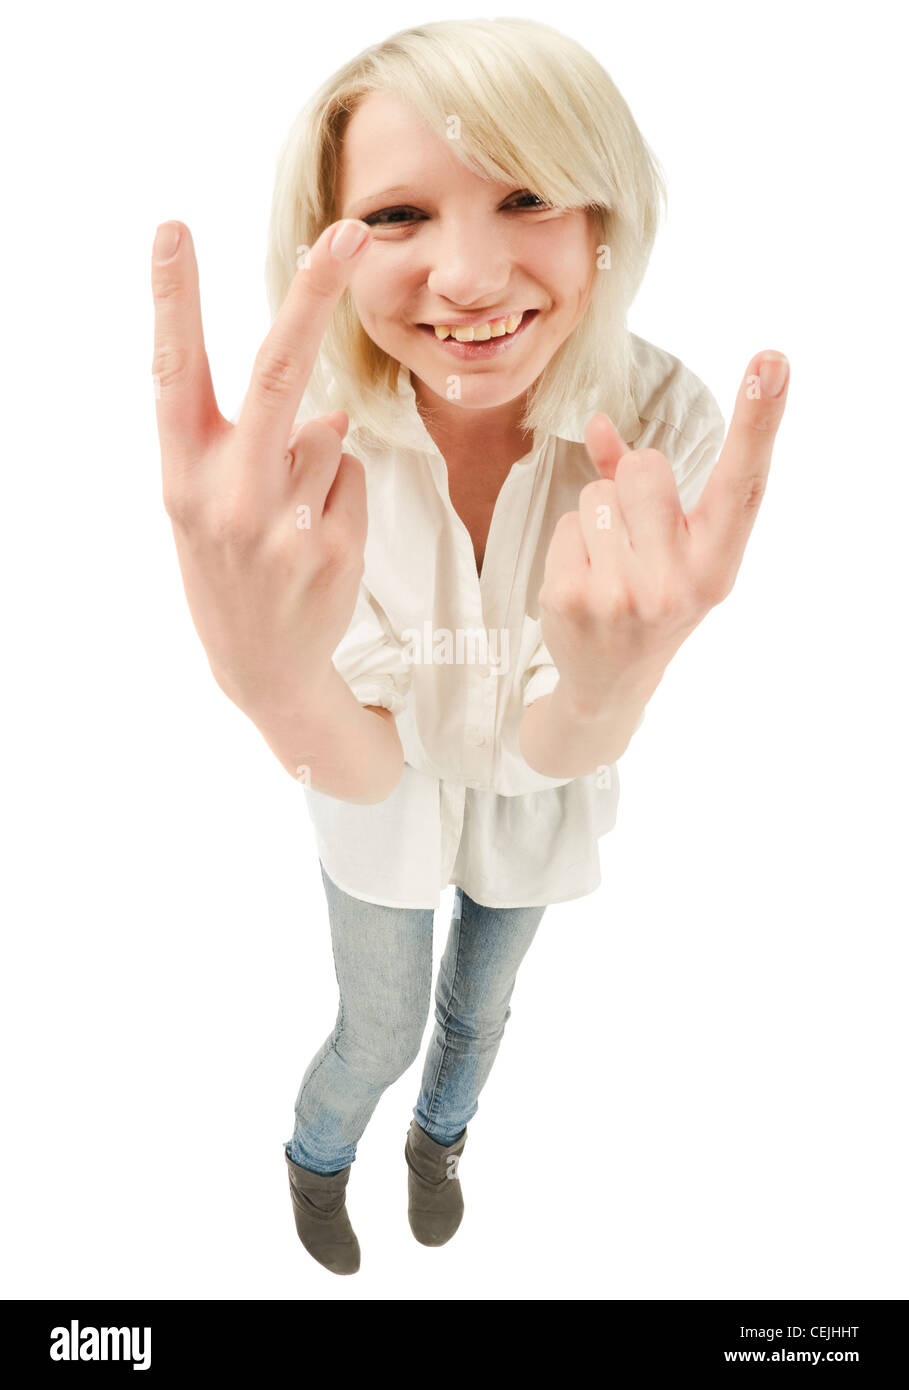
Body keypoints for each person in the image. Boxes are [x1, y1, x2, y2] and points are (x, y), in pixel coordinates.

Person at [151, 17, 789, 1277]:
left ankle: (438, 1144)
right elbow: (367, 755)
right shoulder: (308, 441)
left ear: (601, 217)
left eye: (528, 194)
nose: (472, 278)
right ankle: (319, 1156)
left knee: (479, 1014)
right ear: (325, 244)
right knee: (379, 1027)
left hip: (543, 789)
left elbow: (560, 734)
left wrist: (604, 693)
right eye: (397, 215)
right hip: (372, 786)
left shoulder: (660, 423)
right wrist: (277, 692)